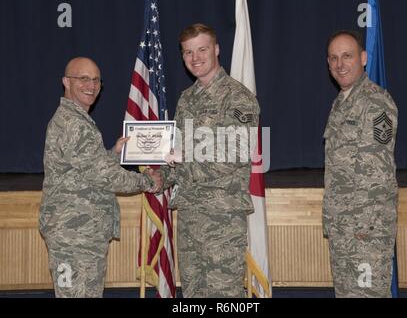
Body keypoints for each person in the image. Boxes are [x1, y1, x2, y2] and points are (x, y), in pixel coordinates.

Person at [39, 57, 162, 298]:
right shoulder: (73, 123)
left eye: (96, 80)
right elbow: (106, 177)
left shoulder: (75, 120)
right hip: (74, 238)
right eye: (83, 78)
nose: (91, 85)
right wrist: (149, 181)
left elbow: (85, 171)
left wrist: (113, 154)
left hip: (80, 234)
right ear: (66, 81)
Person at [160, 23, 260, 297]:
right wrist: (158, 174)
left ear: (216, 49)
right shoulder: (186, 99)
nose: (195, 58)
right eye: (188, 52)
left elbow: (238, 152)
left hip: (222, 219)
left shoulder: (238, 97)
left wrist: (185, 158)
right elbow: (176, 153)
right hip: (190, 215)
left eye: (202, 49)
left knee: (223, 294)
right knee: (193, 294)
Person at [322, 30, 398, 297]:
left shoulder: (375, 103)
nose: (340, 64)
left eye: (347, 56)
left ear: (363, 58)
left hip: (365, 235)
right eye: (333, 58)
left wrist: (363, 230)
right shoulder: (342, 103)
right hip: (344, 230)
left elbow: (376, 172)